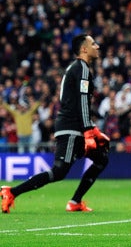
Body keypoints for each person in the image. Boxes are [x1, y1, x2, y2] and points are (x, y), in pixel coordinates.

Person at [1, 34, 110, 213]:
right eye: (93, 44)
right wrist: (89, 132)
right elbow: (82, 102)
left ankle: (75, 202)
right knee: (58, 172)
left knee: (101, 159)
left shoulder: (76, 69)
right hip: (71, 129)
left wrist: (92, 128)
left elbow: (77, 102)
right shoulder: (82, 68)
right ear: (84, 49)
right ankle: (11, 192)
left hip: (74, 126)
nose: (97, 46)